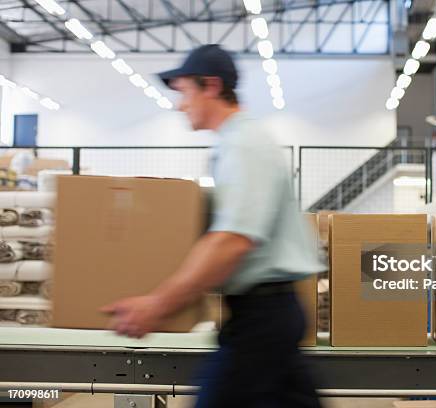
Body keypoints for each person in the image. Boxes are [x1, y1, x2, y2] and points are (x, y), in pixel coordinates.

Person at [101, 44, 323, 408]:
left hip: (263, 317)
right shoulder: (237, 143)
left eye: (185, 91)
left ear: (212, 86)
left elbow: (232, 242)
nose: (179, 104)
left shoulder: (244, 144)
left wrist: (159, 304)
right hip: (266, 314)